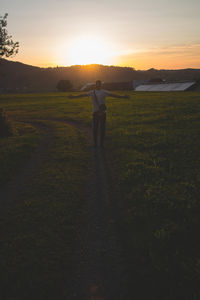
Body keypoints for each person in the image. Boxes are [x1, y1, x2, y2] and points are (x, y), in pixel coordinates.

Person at [68, 80, 129, 147]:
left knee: (100, 129)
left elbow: (113, 95)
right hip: (97, 112)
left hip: (101, 113)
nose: (98, 85)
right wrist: (74, 97)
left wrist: (123, 97)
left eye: (99, 84)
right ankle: (97, 143)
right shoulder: (92, 92)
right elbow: (83, 95)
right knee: (97, 128)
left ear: (100, 85)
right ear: (96, 85)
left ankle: (100, 143)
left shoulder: (103, 92)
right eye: (97, 84)